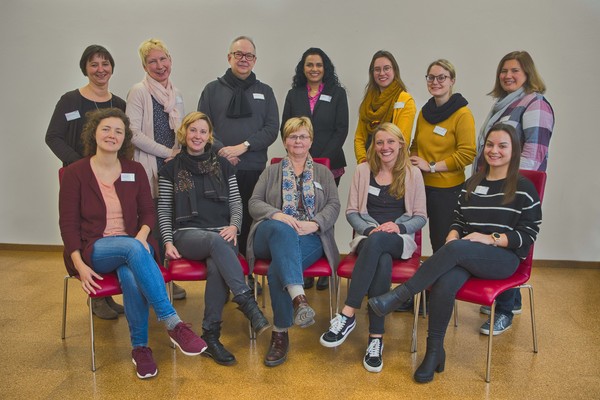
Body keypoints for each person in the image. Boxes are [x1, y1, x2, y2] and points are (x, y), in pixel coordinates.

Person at [367, 123, 542, 383]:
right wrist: (452, 235)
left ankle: (399, 295)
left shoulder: (524, 187)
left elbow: (528, 234)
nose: (494, 151)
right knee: (445, 281)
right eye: (490, 145)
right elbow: (458, 220)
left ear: (514, 150)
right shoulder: (472, 183)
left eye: (502, 146)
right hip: (467, 255)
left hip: (504, 259)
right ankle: (434, 352)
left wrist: (491, 239)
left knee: (457, 249)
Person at [59, 108, 207, 379]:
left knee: (130, 271)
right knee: (132, 251)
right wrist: (79, 265)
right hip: (96, 248)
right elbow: (67, 225)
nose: (112, 135)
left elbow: (148, 213)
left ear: (125, 137)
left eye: (118, 131)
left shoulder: (134, 169)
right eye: (106, 129)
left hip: (135, 243)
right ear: (94, 132)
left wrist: (140, 239)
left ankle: (140, 349)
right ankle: (173, 323)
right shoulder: (75, 173)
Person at [157, 112, 270, 366]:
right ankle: (246, 302)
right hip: (187, 235)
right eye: (193, 130)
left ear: (210, 136)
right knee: (216, 243)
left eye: (203, 131)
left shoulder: (224, 165)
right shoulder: (170, 169)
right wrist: (167, 241)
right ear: (184, 133)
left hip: (223, 231)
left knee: (217, 263)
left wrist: (234, 226)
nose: (197, 136)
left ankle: (211, 336)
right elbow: (164, 209)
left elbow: (236, 203)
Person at [319, 122, 427, 373]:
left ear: (401, 144)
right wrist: (369, 230)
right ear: (373, 146)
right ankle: (375, 339)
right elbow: (352, 212)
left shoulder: (413, 173)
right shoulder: (362, 170)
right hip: (368, 237)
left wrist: (396, 228)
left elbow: (420, 217)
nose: (385, 147)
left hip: (399, 238)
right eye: (379, 142)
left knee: (380, 244)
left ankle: (348, 314)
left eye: (390, 142)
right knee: (381, 259)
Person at [247, 117, 340, 367]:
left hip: (310, 235)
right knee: (283, 230)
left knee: (279, 267)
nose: (298, 141)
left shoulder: (323, 172)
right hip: (270, 232)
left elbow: (334, 204)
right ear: (285, 141)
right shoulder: (271, 171)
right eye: (292, 136)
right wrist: (277, 215)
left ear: (311, 140)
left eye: (303, 136)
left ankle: (280, 333)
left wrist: (317, 223)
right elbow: (254, 202)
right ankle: (299, 298)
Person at [474, 51, 554, 335]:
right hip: (494, 184)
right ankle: (511, 297)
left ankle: (504, 311)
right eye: (503, 71)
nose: (507, 75)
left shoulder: (536, 104)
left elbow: (534, 151)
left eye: (515, 71)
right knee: (492, 236)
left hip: (513, 189)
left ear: (528, 73)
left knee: (505, 240)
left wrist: (512, 186)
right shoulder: (504, 104)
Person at [45, 44, 126, 320]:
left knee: (112, 231)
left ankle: (107, 292)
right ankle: (95, 294)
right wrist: (79, 164)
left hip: (112, 178)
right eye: (94, 64)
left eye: (105, 63)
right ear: (85, 68)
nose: (100, 69)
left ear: (112, 67)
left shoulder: (119, 104)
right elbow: (53, 136)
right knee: (87, 233)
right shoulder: (70, 100)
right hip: (78, 179)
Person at [198, 35, 279, 295]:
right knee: (222, 223)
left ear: (255, 60)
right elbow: (203, 127)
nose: (244, 59)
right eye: (239, 54)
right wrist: (223, 151)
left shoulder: (265, 91)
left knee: (247, 223)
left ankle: (247, 275)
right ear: (229, 57)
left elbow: (271, 129)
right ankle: (224, 275)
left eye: (249, 56)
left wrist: (242, 147)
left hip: (253, 167)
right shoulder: (212, 89)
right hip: (217, 168)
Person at [281, 47, 349, 291]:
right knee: (300, 211)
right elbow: (285, 127)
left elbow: (342, 129)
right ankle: (305, 266)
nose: (314, 69)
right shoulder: (294, 94)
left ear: (325, 68)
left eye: (319, 65)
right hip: (297, 163)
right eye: (309, 65)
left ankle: (325, 262)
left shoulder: (337, 93)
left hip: (329, 165)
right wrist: (302, 155)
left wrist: (321, 161)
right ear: (303, 68)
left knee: (323, 212)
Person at [126, 38, 187, 300]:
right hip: (151, 164)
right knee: (150, 221)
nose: (160, 65)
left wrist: (180, 154)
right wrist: (168, 153)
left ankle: (167, 275)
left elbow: (181, 131)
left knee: (169, 219)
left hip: (172, 166)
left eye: (163, 59)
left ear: (170, 60)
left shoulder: (177, 93)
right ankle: (152, 279)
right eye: (153, 61)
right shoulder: (139, 91)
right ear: (144, 65)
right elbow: (133, 133)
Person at [410, 59, 476, 253]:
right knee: (414, 237)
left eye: (442, 77)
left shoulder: (462, 114)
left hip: (447, 191)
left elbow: (467, 154)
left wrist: (431, 166)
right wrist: (413, 162)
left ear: (452, 81)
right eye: (431, 77)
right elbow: (415, 145)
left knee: (441, 241)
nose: (435, 82)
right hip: (421, 186)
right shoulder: (425, 112)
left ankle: (443, 282)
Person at [354, 50, 416, 164]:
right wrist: (363, 162)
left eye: (386, 68)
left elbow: (403, 140)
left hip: (394, 166)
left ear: (394, 71)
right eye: (377, 69)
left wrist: (384, 167)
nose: (382, 73)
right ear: (372, 73)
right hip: (368, 164)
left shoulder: (405, 100)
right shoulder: (368, 101)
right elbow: (359, 138)